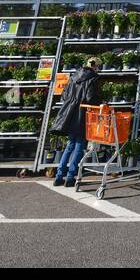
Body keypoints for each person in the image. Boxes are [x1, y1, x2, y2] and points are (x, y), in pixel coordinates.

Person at [50, 56, 100, 186]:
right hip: (83, 114)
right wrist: (101, 102)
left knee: (70, 144)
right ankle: (71, 177)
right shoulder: (93, 78)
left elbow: (65, 95)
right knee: (79, 145)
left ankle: (59, 176)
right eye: (98, 67)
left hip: (69, 114)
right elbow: (91, 98)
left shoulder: (73, 77)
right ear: (95, 67)